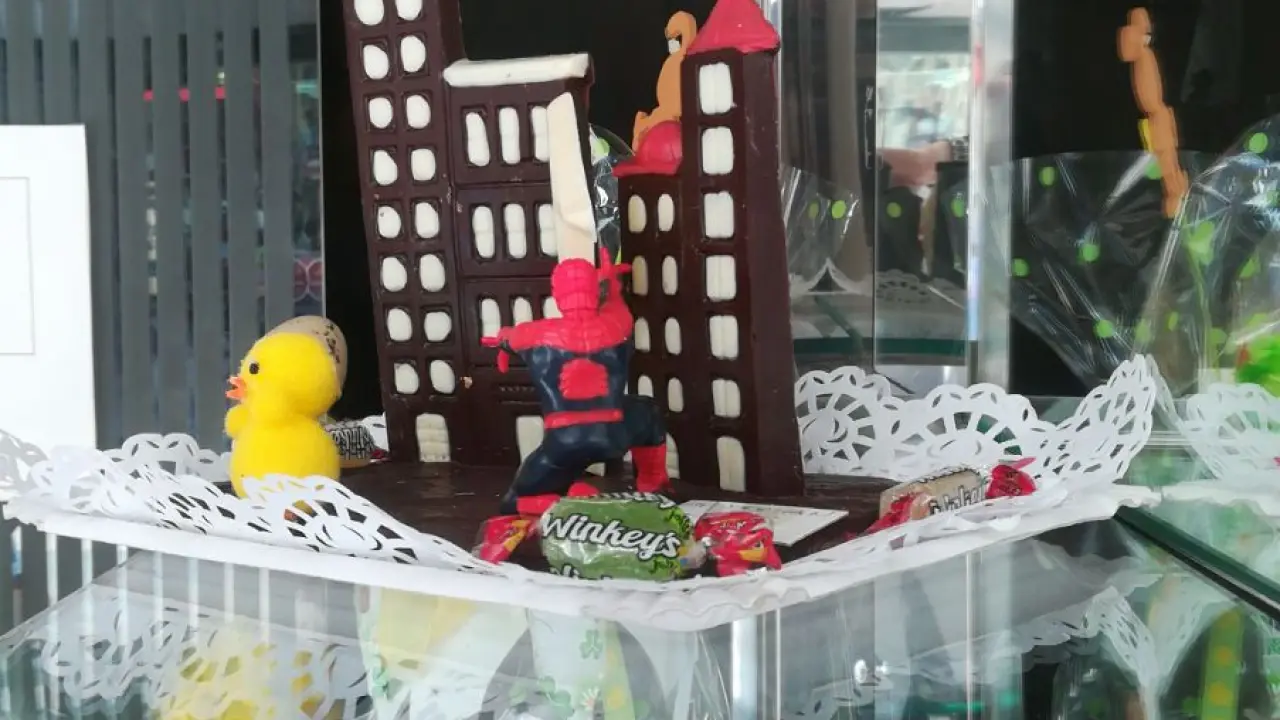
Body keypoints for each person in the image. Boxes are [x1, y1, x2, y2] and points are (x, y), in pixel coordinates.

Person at [484, 249, 669, 515]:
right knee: (648, 411)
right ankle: (653, 485)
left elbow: (505, 337)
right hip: (612, 435)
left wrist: (501, 341)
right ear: (594, 291)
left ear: (557, 295)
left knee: (513, 500)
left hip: (564, 442)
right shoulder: (615, 326)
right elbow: (616, 305)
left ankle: (568, 503)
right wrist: (611, 285)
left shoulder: (534, 334)